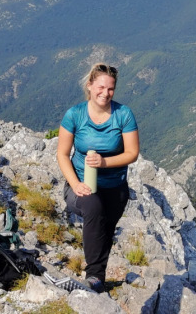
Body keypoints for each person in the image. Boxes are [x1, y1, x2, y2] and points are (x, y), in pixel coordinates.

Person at [56, 63, 140, 293]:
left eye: (110, 89)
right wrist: (75, 184)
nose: (105, 93)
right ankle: (93, 276)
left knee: (106, 230)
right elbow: (62, 154)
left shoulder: (123, 114)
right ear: (90, 86)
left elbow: (132, 153)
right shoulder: (75, 115)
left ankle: (98, 280)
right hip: (81, 185)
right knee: (93, 206)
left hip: (115, 187)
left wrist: (104, 163)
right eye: (101, 87)